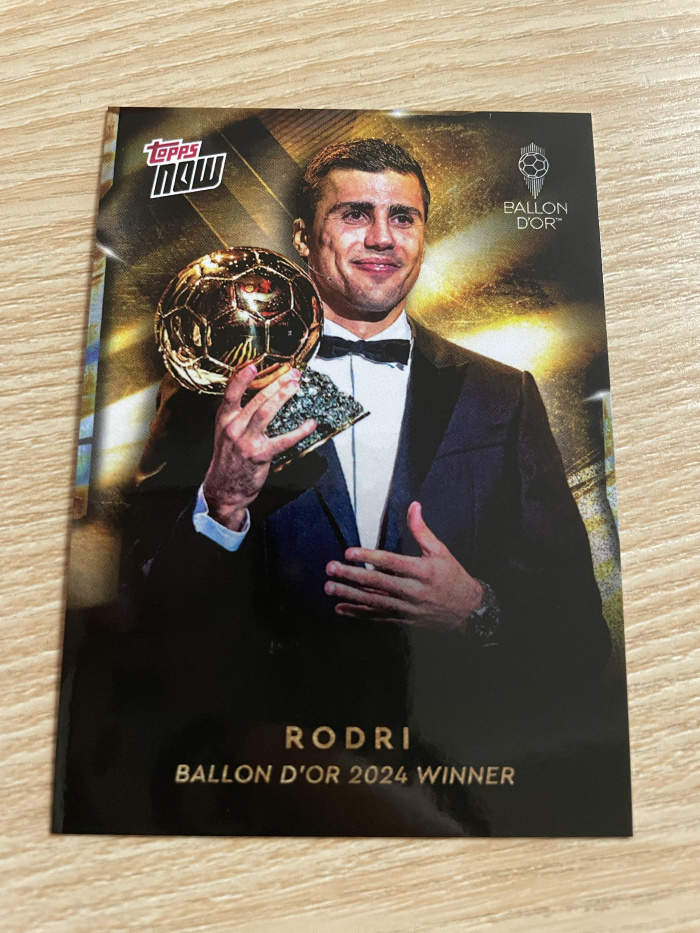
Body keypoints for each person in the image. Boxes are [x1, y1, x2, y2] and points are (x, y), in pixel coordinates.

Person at [68, 139, 625, 836]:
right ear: (304, 237)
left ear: (423, 236)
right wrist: (223, 501)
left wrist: (477, 607)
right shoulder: (214, 385)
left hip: (461, 797)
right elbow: (142, 625)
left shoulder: (502, 394)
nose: (383, 237)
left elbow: (579, 639)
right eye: (356, 213)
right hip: (259, 797)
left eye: (403, 217)